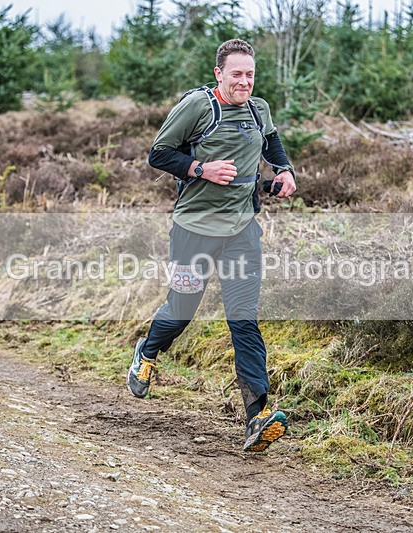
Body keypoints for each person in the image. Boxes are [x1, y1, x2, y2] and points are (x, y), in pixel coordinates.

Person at [126, 38, 297, 452]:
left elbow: (270, 140)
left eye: (251, 74)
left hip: (242, 231)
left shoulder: (259, 109)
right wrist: (200, 167)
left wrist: (285, 170)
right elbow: (159, 154)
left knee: (243, 318)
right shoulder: (199, 106)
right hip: (194, 230)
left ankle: (257, 415)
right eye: (236, 74)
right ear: (219, 73)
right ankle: (147, 353)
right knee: (183, 308)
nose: (245, 82)